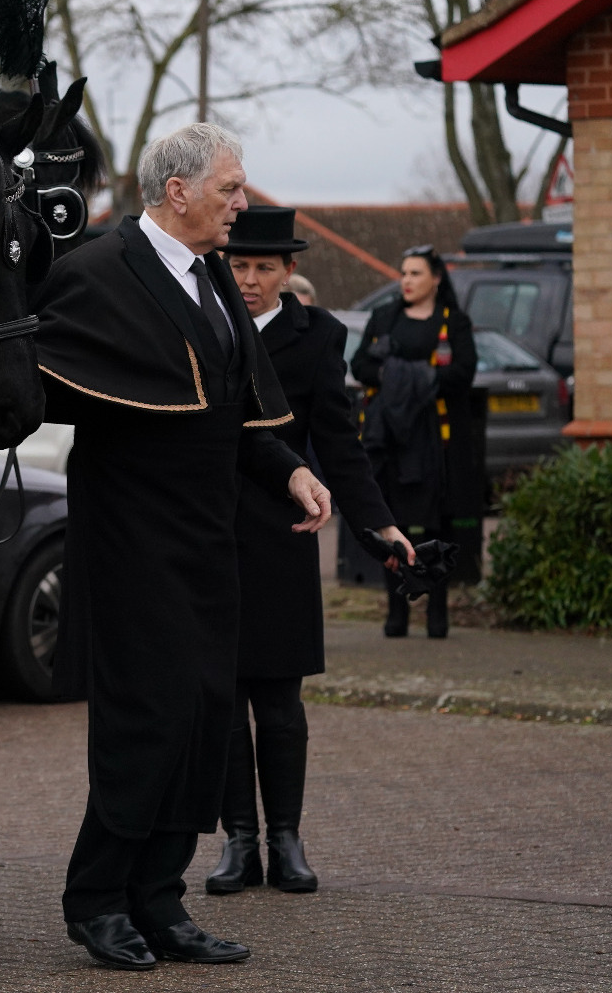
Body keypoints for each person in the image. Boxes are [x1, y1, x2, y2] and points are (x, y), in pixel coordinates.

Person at [36, 125, 332, 971]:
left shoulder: (208, 276)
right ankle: (96, 900)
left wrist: (288, 471)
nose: (244, 203)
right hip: (131, 544)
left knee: (204, 720)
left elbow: (232, 406)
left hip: (210, 545)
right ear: (178, 191)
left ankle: (160, 900)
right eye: (231, 189)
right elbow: (36, 378)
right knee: (148, 723)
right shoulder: (95, 271)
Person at [205, 206, 415, 897]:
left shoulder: (319, 335)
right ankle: (239, 841)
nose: (251, 279)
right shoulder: (202, 325)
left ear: (291, 271)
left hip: (284, 533)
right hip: (207, 532)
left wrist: (379, 526)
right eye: (239, 265)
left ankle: (285, 838)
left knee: (280, 700)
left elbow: (342, 446)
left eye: (265, 267)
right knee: (224, 698)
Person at [350, 246, 478, 638]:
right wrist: (410, 376)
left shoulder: (453, 322)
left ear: (436, 278)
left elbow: (463, 372)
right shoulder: (384, 317)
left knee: (437, 525)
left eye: (416, 273)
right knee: (394, 524)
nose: (406, 280)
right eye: (403, 272)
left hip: (434, 443)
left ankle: (437, 614)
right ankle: (396, 612)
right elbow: (361, 365)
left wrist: (407, 378)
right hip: (390, 440)